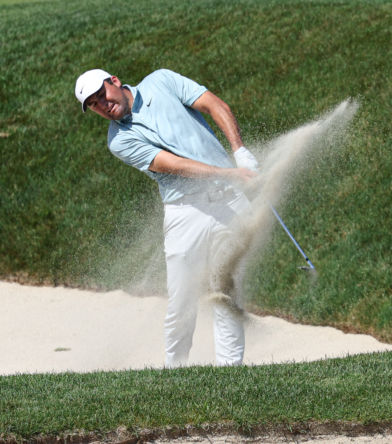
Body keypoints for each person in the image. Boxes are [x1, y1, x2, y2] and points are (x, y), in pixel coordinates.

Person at [75, 68, 261, 367]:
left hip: (230, 201)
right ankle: (175, 373)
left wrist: (240, 152)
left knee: (227, 291)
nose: (103, 104)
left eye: (102, 95)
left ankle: (230, 373)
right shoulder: (119, 141)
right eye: (95, 105)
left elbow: (214, 104)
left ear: (115, 82)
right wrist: (230, 173)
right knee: (181, 301)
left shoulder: (162, 81)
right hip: (185, 213)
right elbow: (173, 165)